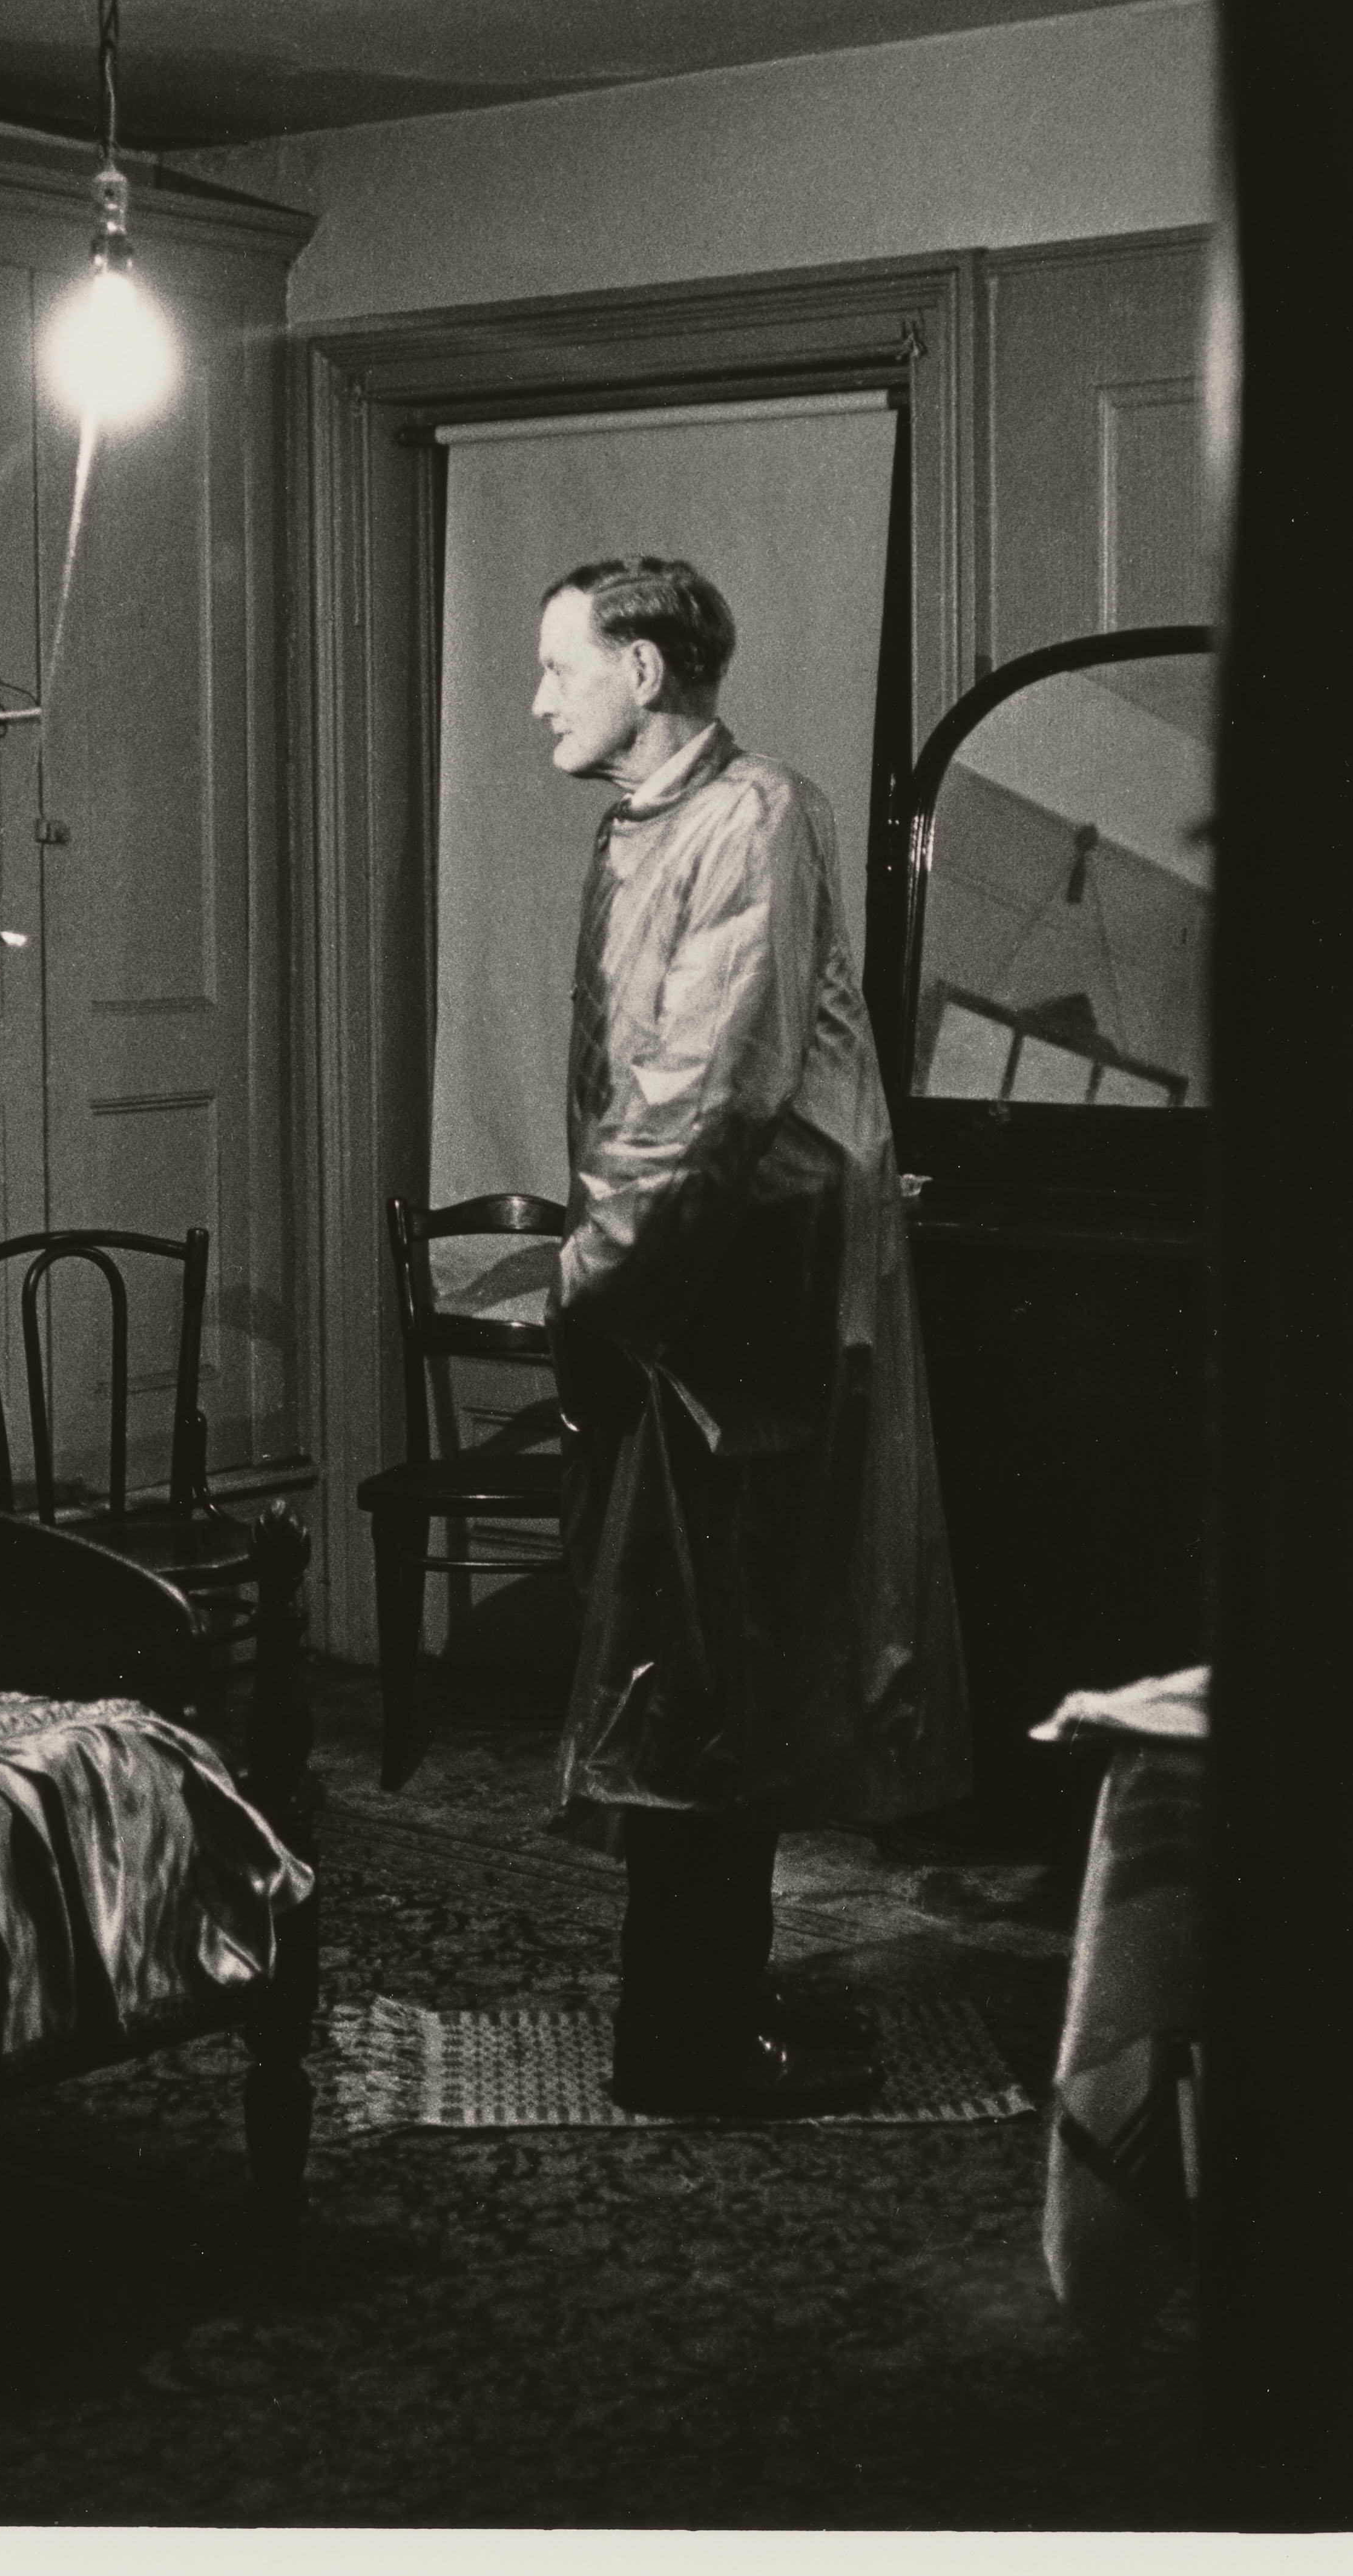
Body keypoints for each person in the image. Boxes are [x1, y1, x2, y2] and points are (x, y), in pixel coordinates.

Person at [533, 553, 970, 2117]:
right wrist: (606, 1285)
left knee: (719, 1677)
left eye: (559, 670)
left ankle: (695, 2037)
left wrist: (594, 1284)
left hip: (736, 1315)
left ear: (643, 673)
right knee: (682, 1678)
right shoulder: (645, 824)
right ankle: (688, 2032)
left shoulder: (756, 815)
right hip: (677, 1304)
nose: (539, 704)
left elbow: (705, 1094)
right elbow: (634, 1091)